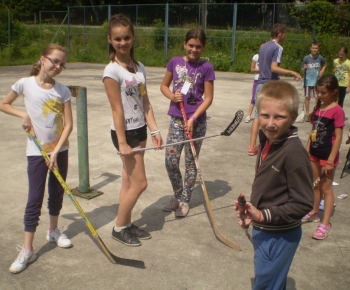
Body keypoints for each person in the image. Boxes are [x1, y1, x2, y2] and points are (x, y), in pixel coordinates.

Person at [0, 44, 73, 274]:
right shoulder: (25, 84)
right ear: (42, 59)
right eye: (54, 61)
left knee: (57, 192)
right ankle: (28, 249)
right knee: (34, 198)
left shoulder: (63, 91)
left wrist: (56, 150)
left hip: (59, 151)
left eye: (62, 63)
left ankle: (53, 231)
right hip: (36, 152)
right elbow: (3, 104)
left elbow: (69, 125)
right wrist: (23, 114)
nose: (58, 66)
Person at [234, 80, 314, 290]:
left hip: (279, 234)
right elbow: (269, 185)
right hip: (264, 229)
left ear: (294, 118)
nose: (270, 123)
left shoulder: (294, 153)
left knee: (267, 285)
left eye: (280, 117)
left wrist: (263, 216)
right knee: (267, 280)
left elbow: (304, 203)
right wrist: (250, 212)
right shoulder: (268, 139)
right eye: (265, 115)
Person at [103, 14, 163, 247]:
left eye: (127, 37)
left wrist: (155, 130)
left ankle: (126, 223)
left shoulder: (139, 68)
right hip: (124, 134)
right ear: (110, 40)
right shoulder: (112, 72)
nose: (123, 42)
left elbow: (145, 102)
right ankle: (119, 228)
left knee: (128, 182)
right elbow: (117, 110)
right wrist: (122, 143)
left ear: (133, 37)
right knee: (140, 184)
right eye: (117, 39)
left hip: (140, 130)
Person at [160, 28, 215, 217]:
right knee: (170, 161)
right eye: (191, 45)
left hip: (196, 122)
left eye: (198, 46)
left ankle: (184, 201)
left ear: (203, 47)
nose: (194, 49)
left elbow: (208, 98)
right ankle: (177, 195)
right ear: (185, 44)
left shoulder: (206, 67)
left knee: (191, 164)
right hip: (177, 119)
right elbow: (163, 86)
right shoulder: (175, 62)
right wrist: (172, 96)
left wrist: (193, 118)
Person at [248, 23, 302, 156]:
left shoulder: (264, 46)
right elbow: (274, 67)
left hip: (260, 83)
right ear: (280, 34)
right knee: (274, 115)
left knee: (258, 116)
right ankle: (270, 145)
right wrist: (291, 72)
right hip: (270, 85)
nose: (285, 36)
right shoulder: (278, 48)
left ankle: (252, 145)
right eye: (285, 34)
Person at [302, 74, 344, 240]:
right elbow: (313, 132)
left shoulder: (337, 110)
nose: (319, 95)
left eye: (323, 92)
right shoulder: (319, 108)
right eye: (317, 92)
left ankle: (325, 223)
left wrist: (331, 160)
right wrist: (307, 150)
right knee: (315, 186)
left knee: (326, 189)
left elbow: (339, 137)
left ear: (334, 92)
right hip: (314, 153)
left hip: (327, 156)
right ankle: (314, 212)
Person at [301, 41, 327, 120]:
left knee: (317, 97)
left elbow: (325, 64)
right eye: (313, 48)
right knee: (307, 97)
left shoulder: (320, 58)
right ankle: (307, 113)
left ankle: (316, 112)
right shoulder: (306, 58)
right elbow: (302, 69)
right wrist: (304, 68)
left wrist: (322, 71)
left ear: (318, 49)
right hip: (308, 81)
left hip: (317, 82)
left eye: (316, 48)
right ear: (310, 48)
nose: (314, 50)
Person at [245, 43, 263, 123]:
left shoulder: (268, 57)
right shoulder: (256, 57)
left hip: (265, 79)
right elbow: (252, 69)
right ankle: (248, 115)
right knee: (254, 98)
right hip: (257, 79)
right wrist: (261, 70)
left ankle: (261, 116)